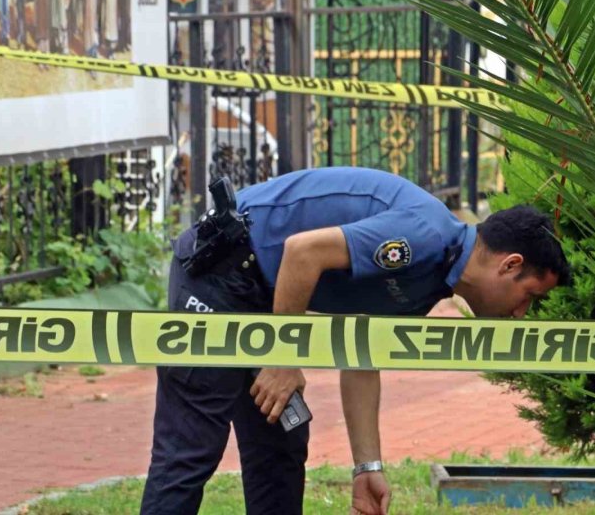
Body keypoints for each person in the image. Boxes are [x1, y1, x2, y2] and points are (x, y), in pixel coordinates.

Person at [140, 167, 571, 515]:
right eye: (529, 296)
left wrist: (368, 467)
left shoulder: (434, 281)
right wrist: (282, 358)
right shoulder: (424, 237)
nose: (522, 313)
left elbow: (360, 354)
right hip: (221, 269)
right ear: (509, 264)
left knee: (282, 436)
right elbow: (302, 252)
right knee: (192, 446)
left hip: (263, 293)